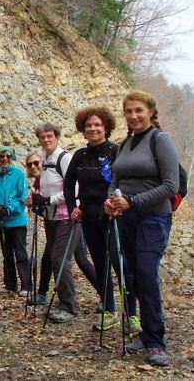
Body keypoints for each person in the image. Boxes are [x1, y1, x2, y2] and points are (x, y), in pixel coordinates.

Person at [105, 90, 178, 367]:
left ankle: (156, 343)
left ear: (150, 112)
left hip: (153, 218)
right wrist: (110, 200)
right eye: (128, 111)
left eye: (138, 110)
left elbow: (170, 186)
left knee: (147, 274)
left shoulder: (161, 141)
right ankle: (146, 335)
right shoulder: (125, 144)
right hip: (126, 218)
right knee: (133, 275)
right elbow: (115, 178)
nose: (133, 116)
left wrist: (133, 201)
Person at [63, 107, 137, 333]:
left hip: (112, 215)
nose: (93, 129)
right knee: (101, 265)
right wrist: (72, 208)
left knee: (120, 263)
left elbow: (125, 180)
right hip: (88, 216)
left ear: (105, 127)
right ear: (83, 131)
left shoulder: (116, 151)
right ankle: (109, 309)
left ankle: (132, 315)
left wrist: (119, 204)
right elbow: (68, 185)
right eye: (88, 126)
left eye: (97, 125)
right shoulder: (80, 156)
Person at [29, 122, 96, 323]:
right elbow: (45, 186)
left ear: (57, 137)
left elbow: (74, 190)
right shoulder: (43, 158)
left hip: (67, 217)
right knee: (58, 259)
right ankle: (64, 301)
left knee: (59, 259)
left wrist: (48, 200)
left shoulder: (64, 158)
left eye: (49, 136)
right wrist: (38, 200)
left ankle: (69, 306)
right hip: (51, 218)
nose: (46, 140)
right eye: (42, 137)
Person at [0, 146, 30, 296]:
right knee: (6, 253)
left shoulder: (19, 174)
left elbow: (22, 197)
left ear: (12, 157)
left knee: (20, 253)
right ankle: (10, 284)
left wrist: (9, 209)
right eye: (2, 156)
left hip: (17, 221)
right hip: (1, 222)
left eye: (8, 156)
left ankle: (26, 286)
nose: (5, 159)